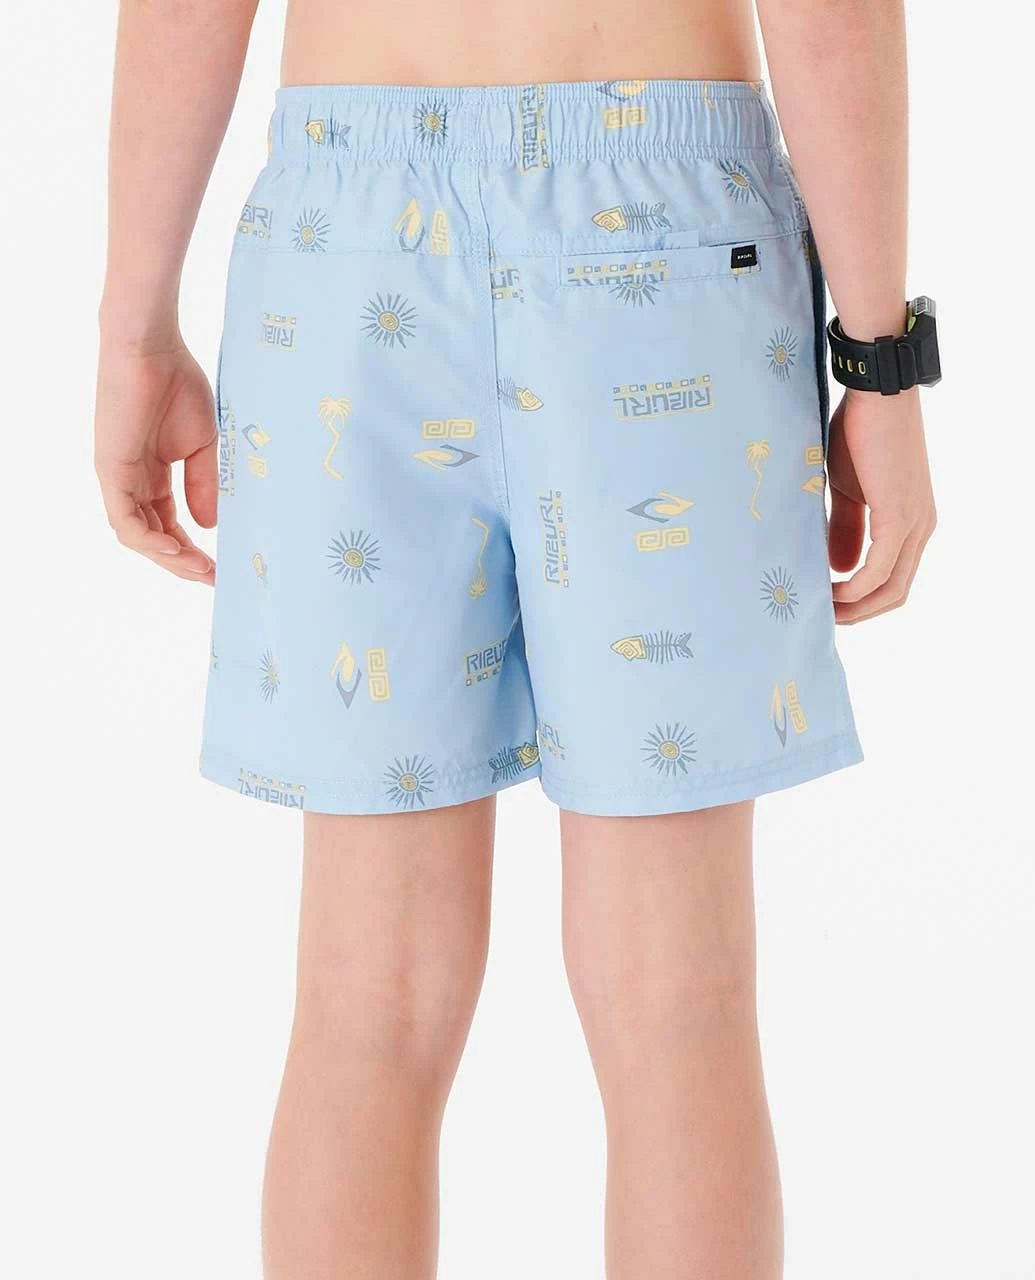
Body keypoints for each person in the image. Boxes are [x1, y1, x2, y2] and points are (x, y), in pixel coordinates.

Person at [94, 0, 938, 1275]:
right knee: (677, 1001)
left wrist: (132, 330)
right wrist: (881, 363)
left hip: (348, 241)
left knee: (366, 1001)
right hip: (657, 230)